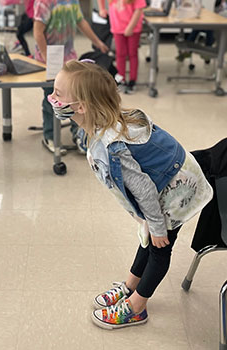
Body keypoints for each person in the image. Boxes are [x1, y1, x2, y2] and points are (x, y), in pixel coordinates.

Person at [47, 60, 213, 328]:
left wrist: (157, 225)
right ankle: (130, 285)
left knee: (159, 246)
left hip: (176, 192)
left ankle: (138, 307)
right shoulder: (103, 122)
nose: (52, 98)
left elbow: (145, 190)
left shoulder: (113, 145)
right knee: (148, 238)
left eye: (57, 93)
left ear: (81, 107)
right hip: (166, 182)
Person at [33, 0, 109, 154]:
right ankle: (50, 136)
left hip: (69, 59)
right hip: (49, 60)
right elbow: (38, 32)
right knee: (52, 99)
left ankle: (79, 135)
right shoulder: (44, 2)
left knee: (75, 98)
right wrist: (47, 58)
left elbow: (81, 22)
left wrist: (97, 42)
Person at [98, 0, 146, 93]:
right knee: (120, 54)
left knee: (132, 54)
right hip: (118, 27)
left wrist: (130, 27)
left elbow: (139, 10)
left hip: (133, 28)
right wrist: (102, 9)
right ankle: (121, 79)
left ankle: (133, 81)